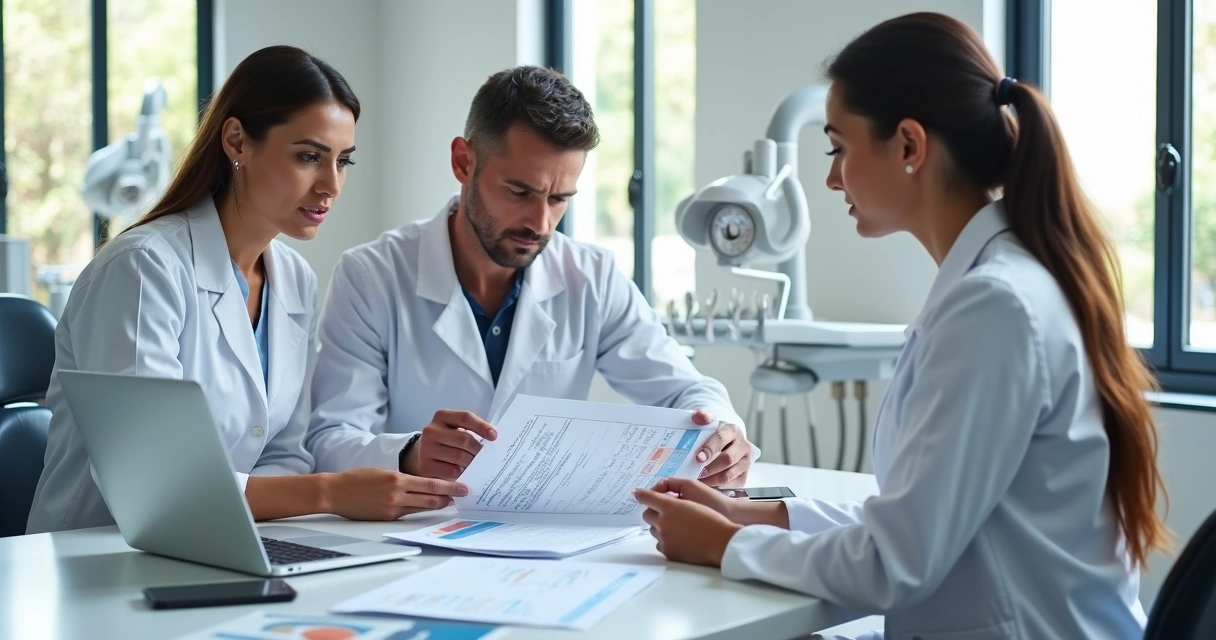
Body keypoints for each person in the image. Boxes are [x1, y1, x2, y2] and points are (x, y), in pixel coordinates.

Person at [633, 12, 1168, 640]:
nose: (831, 177)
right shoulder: (1003, 282)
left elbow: (895, 563)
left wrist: (726, 546)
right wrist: (754, 516)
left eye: (838, 148)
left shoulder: (995, 307)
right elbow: (911, 515)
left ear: (909, 146)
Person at [27, 45, 467, 534]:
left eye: (343, 162)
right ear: (236, 140)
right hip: (100, 556)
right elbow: (152, 482)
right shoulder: (142, 269)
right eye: (308, 157)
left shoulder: (293, 279)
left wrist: (386, 467)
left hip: (228, 544)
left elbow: (282, 451)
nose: (331, 185)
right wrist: (329, 493)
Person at [305, 65, 754, 489]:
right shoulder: (372, 276)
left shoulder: (591, 278)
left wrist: (720, 429)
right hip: (418, 529)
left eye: (560, 198)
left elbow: (686, 389)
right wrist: (411, 454)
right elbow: (330, 439)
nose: (540, 223)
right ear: (464, 162)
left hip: (542, 537)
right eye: (520, 192)